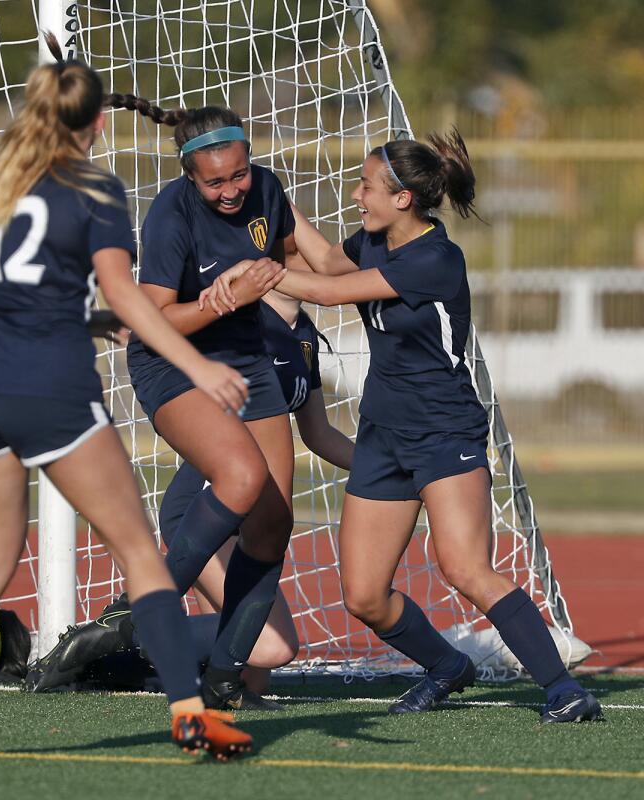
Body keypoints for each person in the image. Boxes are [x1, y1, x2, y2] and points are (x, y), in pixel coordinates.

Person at [0, 35, 257, 761]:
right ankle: (190, 711)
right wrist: (197, 364)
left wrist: (88, 319)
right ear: (95, 125)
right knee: (138, 553)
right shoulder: (94, 188)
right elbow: (125, 290)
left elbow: (17, 292)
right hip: (48, 387)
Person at [199, 131, 602, 724]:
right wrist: (276, 202)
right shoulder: (374, 240)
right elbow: (330, 261)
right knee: (363, 595)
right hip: (383, 433)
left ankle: (564, 689)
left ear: (405, 198)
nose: (357, 195)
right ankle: (446, 666)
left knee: (464, 567)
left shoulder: (437, 258)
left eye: (367, 187)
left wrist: (253, 273)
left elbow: (328, 290)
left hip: (445, 431)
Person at [29, 291, 354, 707]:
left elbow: (319, 434)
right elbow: (157, 331)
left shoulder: (303, 334)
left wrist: (393, 472)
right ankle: (106, 642)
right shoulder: (232, 310)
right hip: (209, 510)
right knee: (272, 646)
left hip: (257, 521)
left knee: (246, 679)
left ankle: (125, 664)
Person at [83, 95, 300, 709]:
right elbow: (151, 321)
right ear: (188, 175)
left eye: (239, 175)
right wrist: (221, 301)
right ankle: (137, 612)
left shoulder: (268, 190)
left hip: (247, 360)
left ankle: (226, 674)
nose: (230, 190)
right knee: (240, 474)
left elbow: (295, 262)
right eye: (214, 183)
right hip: (169, 360)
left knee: (273, 522)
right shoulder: (170, 216)